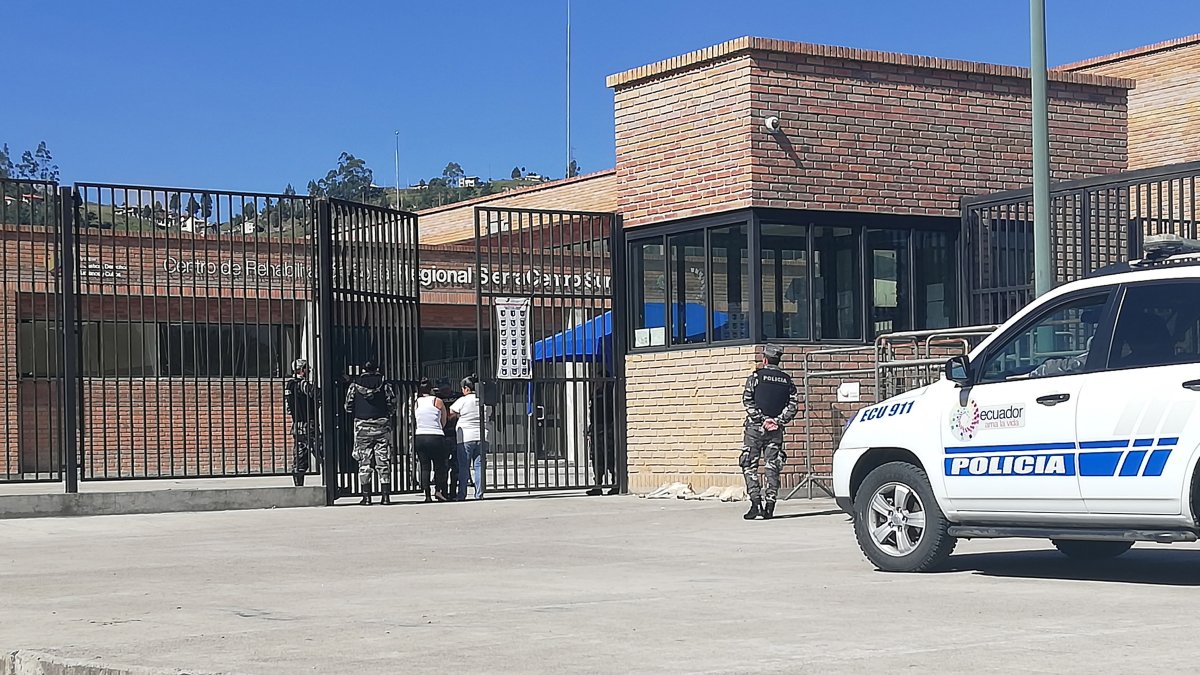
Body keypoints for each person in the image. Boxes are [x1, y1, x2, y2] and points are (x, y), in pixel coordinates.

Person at [740, 344, 800, 521]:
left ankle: (755, 503)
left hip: (754, 429)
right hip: (775, 431)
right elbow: (793, 405)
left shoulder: (756, 377)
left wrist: (762, 420)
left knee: (749, 464)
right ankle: (770, 506)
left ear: (764, 359)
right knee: (772, 466)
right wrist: (777, 421)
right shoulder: (787, 380)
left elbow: (747, 400)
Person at [343, 361, 396, 505]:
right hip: (382, 425)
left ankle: (366, 497)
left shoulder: (354, 385)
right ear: (376, 369)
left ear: (363, 369)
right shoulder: (385, 384)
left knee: (364, 460)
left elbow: (348, 406)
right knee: (383, 459)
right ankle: (385, 497)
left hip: (362, 426)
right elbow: (392, 404)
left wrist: (356, 415)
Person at [448, 376, 487, 500]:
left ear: (466, 388)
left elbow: (451, 412)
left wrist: (460, 415)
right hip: (482, 436)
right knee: (479, 466)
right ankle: (479, 494)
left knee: (464, 467)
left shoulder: (463, 400)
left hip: (465, 437)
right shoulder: (483, 400)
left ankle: (462, 494)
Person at [284, 358, 321, 487]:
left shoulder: (289, 385)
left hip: (297, 425)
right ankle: (331, 482)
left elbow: (288, 408)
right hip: (308, 424)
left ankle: (298, 485)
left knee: (299, 456)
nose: (309, 371)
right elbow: (318, 395)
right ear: (302, 370)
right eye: (307, 369)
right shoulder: (303, 385)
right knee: (322, 451)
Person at [413, 377, 450, 503]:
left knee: (425, 466)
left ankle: (427, 494)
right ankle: (438, 491)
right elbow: (444, 420)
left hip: (420, 436)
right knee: (439, 465)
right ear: (431, 389)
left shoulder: (416, 402)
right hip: (436, 435)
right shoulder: (437, 401)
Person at [585, 378, 619, 496]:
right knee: (596, 458)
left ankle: (615, 484)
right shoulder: (595, 393)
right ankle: (597, 485)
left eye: (599, 380)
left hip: (607, 429)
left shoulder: (610, 393)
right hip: (596, 429)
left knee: (609, 458)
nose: (596, 382)